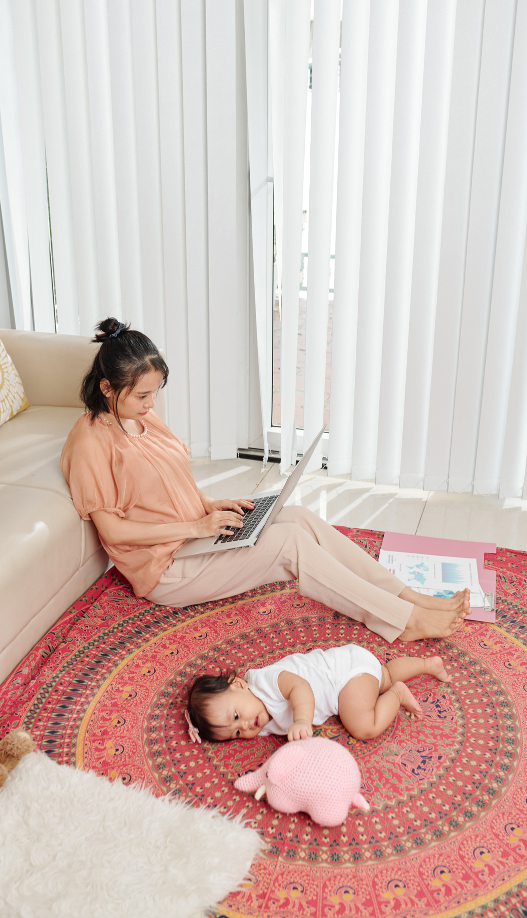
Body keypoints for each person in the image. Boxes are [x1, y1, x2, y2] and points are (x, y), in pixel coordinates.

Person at [61, 318, 469, 644]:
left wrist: (209, 504)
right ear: (107, 387)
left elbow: (167, 483)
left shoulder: (140, 418)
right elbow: (113, 530)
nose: (151, 406)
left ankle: (406, 595)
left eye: (155, 394)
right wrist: (196, 527)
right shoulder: (91, 441)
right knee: (288, 544)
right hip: (167, 569)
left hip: (194, 539)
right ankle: (404, 620)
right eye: (142, 396)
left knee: (297, 517)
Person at [184, 644, 450, 743]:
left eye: (236, 715)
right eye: (237, 733)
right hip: (355, 663)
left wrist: (301, 720)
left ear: (239, 684)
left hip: (342, 678)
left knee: (363, 727)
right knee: (385, 675)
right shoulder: (256, 716)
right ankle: (428, 665)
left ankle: (398, 695)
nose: (244, 726)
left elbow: (302, 689)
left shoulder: (266, 682)